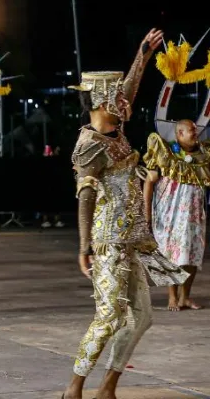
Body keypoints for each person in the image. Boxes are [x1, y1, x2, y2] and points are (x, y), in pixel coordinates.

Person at [63, 28, 190, 399]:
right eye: (116, 96)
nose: (124, 99)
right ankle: (74, 388)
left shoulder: (115, 130)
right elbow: (84, 197)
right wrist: (84, 245)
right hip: (108, 243)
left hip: (132, 240)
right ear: (103, 101)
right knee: (108, 317)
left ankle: (108, 387)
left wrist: (143, 56)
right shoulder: (90, 144)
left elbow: (131, 90)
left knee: (143, 317)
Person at [144, 119, 206, 311]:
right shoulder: (166, 153)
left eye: (195, 130)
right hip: (170, 214)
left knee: (192, 254)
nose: (195, 133)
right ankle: (172, 296)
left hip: (194, 214)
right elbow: (149, 182)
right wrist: (147, 213)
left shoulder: (203, 154)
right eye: (191, 131)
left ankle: (185, 297)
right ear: (179, 134)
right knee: (172, 254)